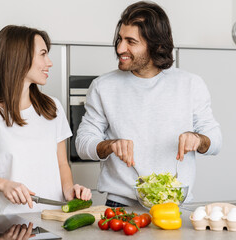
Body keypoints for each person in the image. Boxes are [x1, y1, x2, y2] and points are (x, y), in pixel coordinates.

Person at [76, 1, 222, 207]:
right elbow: (82, 144)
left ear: (157, 45)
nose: (120, 48)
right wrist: (110, 145)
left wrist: (198, 139)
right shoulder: (103, 87)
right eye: (119, 39)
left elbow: (215, 141)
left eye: (130, 41)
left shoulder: (190, 84)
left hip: (175, 206)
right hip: (121, 207)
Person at [0, 25, 91, 216]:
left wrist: (69, 191)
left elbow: (61, 164)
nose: (49, 62)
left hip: (52, 223)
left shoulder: (52, 107)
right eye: (42, 54)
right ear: (20, 58)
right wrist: (3, 185)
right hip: (5, 227)